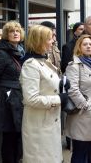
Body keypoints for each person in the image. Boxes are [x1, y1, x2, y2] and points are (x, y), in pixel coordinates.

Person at [20, 25, 68, 163]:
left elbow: (46, 85)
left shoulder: (43, 60)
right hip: (39, 128)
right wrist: (59, 98)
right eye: (49, 38)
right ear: (39, 41)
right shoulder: (31, 64)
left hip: (48, 124)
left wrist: (61, 85)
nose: (53, 41)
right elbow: (31, 98)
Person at [0, 21, 25, 163]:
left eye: (17, 30)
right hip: (7, 102)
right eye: (12, 31)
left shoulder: (19, 52)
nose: (15, 33)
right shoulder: (1, 54)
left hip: (17, 100)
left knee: (17, 137)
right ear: (6, 35)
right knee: (9, 138)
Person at [65, 34, 91, 163]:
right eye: (85, 44)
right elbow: (72, 89)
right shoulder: (74, 65)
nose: (88, 46)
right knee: (80, 153)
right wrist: (85, 106)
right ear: (79, 47)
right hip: (83, 116)